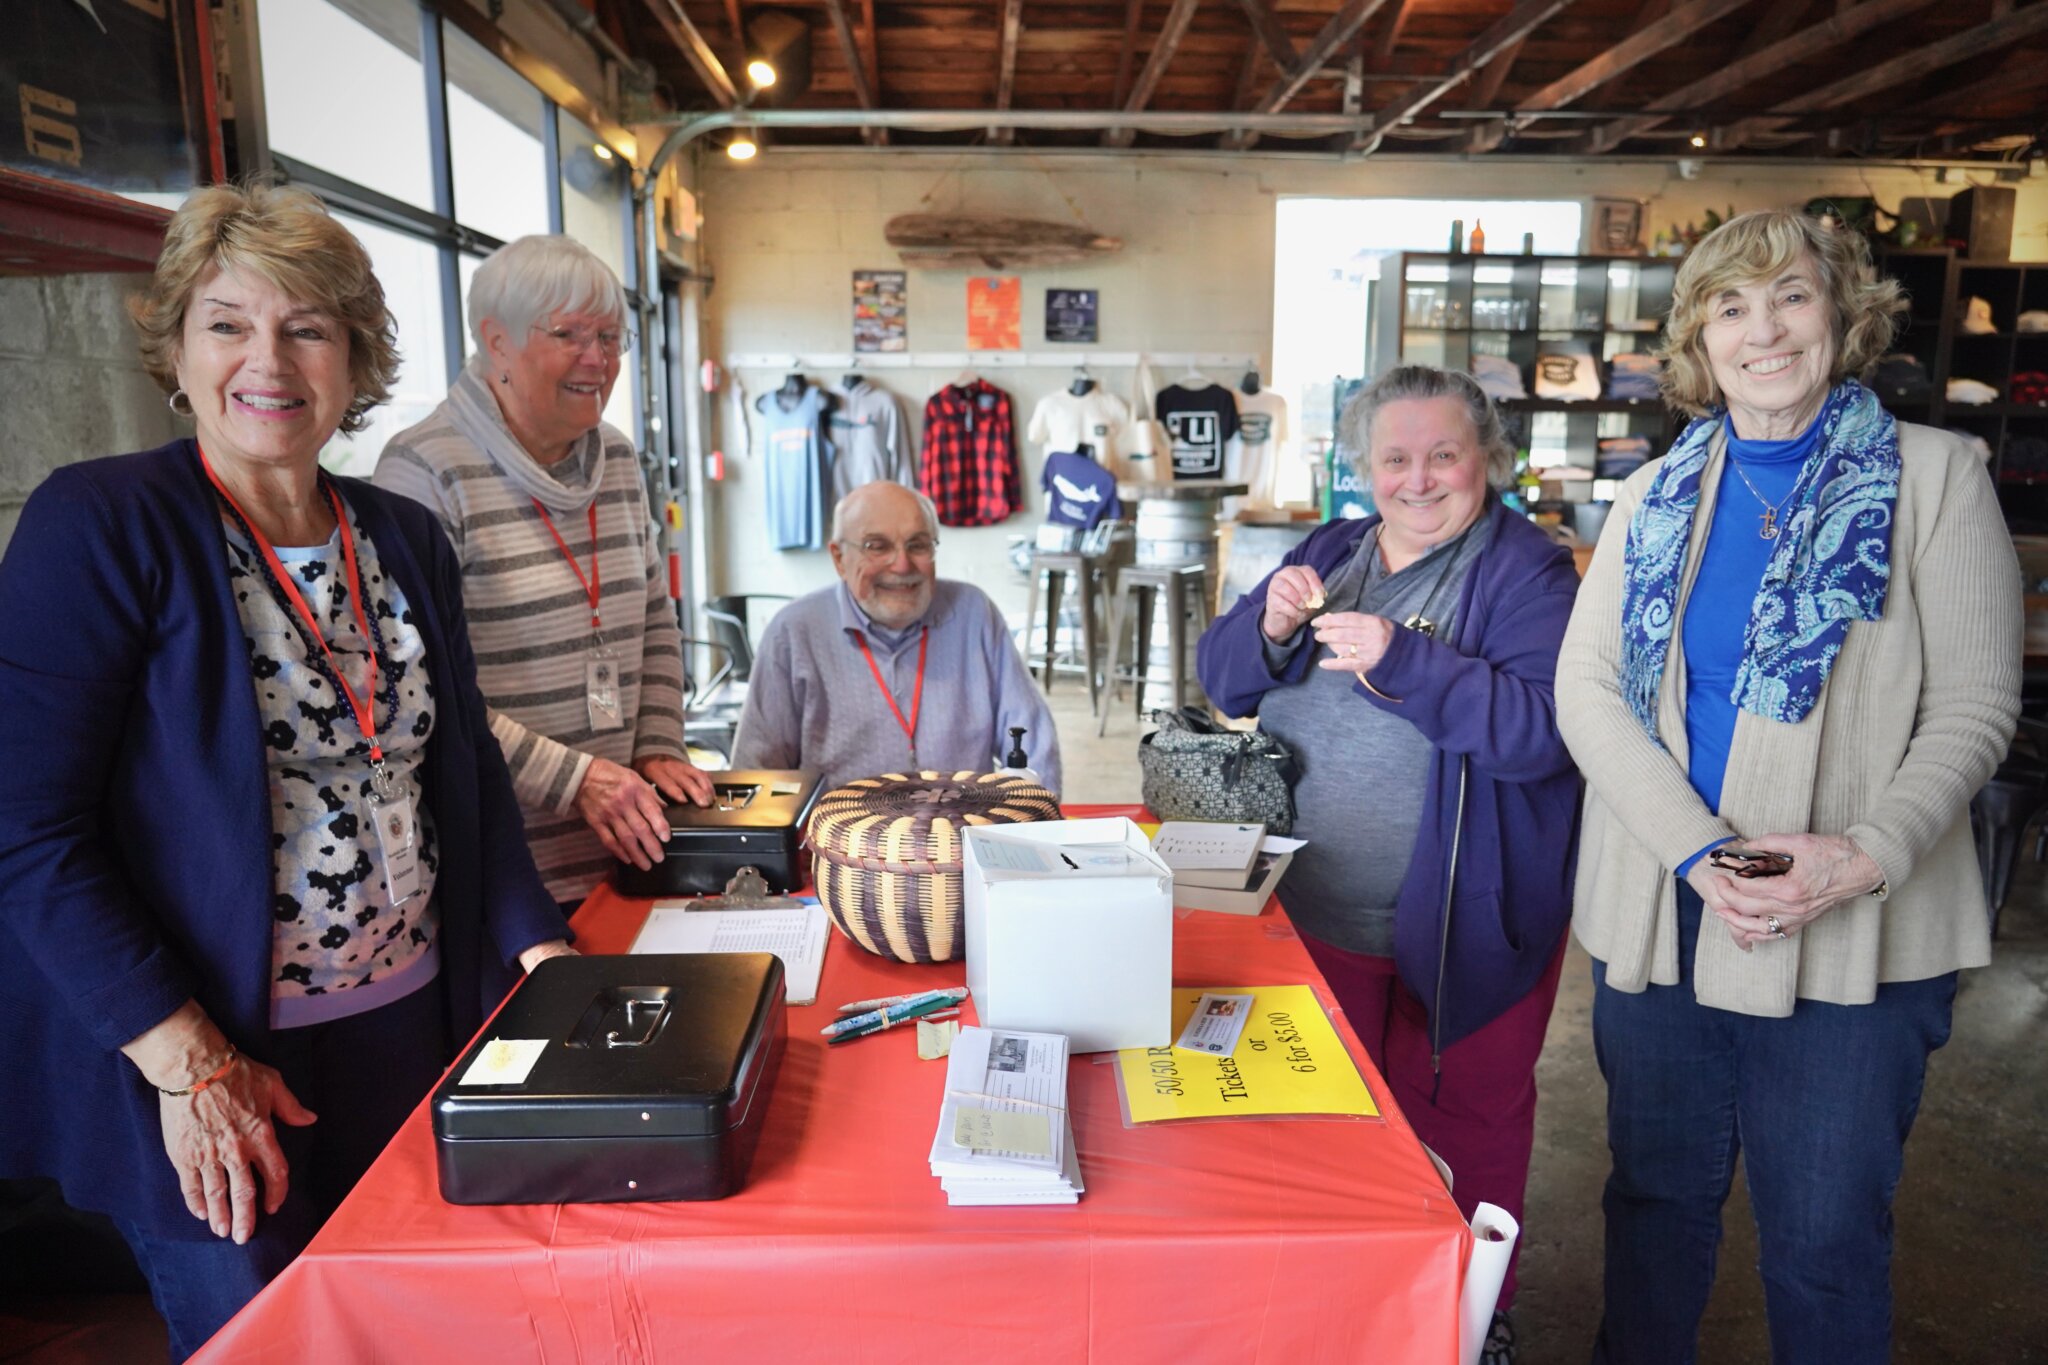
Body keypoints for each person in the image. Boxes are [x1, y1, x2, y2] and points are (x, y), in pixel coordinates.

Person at [0, 183, 574, 1361]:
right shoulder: (101, 525)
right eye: (227, 322)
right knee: (272, 1341)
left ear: (354, 355)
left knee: (426, 1326)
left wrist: (543, 956)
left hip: (409, 1030)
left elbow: (456, 765)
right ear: (175, 342)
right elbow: (26, 830)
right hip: (206, 1051)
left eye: (307, 325)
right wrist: (190, 1062)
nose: (268, 358)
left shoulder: (400, 537)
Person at [1555, 210, 2020, 1364]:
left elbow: (1972, 707)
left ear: (1840, 315)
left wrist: (1861, 854)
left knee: (1820, 1238)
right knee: (1652, 1210)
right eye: (1728, 304)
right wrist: (1694, 853)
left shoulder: (1937, 477)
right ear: (1696, 339)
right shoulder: (1650, 494)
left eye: (1790, 297)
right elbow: (1588, 691)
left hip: (1857, 922)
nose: (1761, 330)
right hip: (1667, 914)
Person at [1198, 365, 1582, 1364]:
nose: (1418, 479)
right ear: (1361, 468)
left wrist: (1400, 658)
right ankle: (1344, 1313)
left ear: (1485, 460)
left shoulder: (1525, 574)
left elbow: (1543, 735)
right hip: (1307, 910)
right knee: (1320, 1127)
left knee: (1465, 1125)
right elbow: (1220, 677)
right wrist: (1267, 625)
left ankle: (1464, 1316)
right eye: (1394, 459)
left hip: (1465, 924)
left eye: (1442, 455)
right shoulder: (1332, 548)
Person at [375, 235, 712, 908]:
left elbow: (652, 615)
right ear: (495, 340)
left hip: (623, 845)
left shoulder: (616, 460)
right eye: (570, 335)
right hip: (502, 870)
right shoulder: (423, 471)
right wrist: (575, 781)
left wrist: (656, 743)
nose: (599, 360)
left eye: (612, 337)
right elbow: (418, 684)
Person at [732, 480, 1061, 794]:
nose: (902, 565)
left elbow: (1034, 747)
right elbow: (756, 771)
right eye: (877, 546)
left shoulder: (974, 614)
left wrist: (1021, 831)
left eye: (918, 545)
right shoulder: (793, 632)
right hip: (838, 844)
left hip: (961, 837)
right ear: (839, 559)